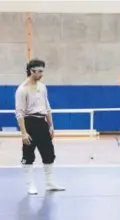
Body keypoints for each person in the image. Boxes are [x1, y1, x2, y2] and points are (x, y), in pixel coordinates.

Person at [15, 58, 65, 195]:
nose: (42, 74)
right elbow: (19, 113)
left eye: (43, 71)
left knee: (49, 153)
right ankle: (30, 185)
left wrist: (51, 125)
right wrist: (24, 133)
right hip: (30, 123)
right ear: (32, 71)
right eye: (39, 71)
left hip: (42, 123)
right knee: (28, 155)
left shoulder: (42, 87)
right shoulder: (22, 90)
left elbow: (47, 107)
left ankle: (49, 182)